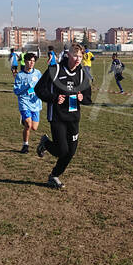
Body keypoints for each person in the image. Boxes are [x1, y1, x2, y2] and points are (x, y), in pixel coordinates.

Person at [34, 43, 92, 189]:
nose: (78, 59)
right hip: (57, 117)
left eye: (80, 56)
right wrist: (54, 98)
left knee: (70, 153)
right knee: (62, 150)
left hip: (73, 118)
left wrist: (82, 99)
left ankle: (54, 176)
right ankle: (46, 143)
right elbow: (39, 89)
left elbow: (88, 97)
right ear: (68, 54)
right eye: (75, 55)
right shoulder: (55, 70)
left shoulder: (81, 73)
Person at [13, 53, 42, 153]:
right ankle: (25, 145)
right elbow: (16, 91)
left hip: (35, 103)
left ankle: (24, 120)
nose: (31, 63)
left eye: (33, 61)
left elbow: (43, 85)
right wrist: (26, 87)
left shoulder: (38, 73)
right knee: (28, 125)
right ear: (25, 61)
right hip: (24, 102)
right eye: (29, 61)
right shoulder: (20, 75)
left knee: (34, 127)